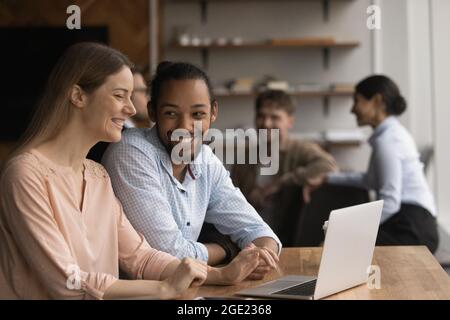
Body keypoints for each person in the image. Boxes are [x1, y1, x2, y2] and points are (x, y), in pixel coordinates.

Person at [0, 43, 261, 300]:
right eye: (119, 95)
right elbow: (67, 283)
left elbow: (140, 256)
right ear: (78, 96)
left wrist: (221, 275)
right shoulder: (25, 174)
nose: (132, 109)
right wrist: (164, 289)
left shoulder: (96, 176)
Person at [102, 62, 281, 279]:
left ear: (213, 112)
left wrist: (262, 256)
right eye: (170, 113)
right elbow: (171, 255)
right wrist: (225, 248)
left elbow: (257, 229)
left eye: (197, 114)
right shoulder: (130, 153)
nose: (184, 126)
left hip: (191, 290)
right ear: (152, 112)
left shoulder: (205, 159)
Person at [322, 75, 439, 253]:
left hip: (412, 227)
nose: (352, 109)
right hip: (411, 221)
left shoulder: (388, 141)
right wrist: (327, 178)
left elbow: (390, 202)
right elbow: (370, 180)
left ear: (377, 100)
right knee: (341, 242)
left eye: (357, 101)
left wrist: (349, 228)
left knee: (340, 244)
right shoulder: (391, 135)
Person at [230, 89, 338, 245]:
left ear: (290, 121)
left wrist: (284, 182)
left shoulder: (300, 149)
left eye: (275, 117)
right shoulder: (246, 156)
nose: (266, 123)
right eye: (261, 116)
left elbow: (329, 165)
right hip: (248, 240)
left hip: (288, 240)